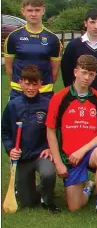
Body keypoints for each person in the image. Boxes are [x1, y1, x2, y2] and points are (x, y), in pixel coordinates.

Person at [45, 55, 97, 221]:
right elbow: (51, 131)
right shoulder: (60, 98)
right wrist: (58, 163)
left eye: (91, 74)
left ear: (95, 76)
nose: (87, 77)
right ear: (75, 72)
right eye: (84, 73)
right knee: (74, 207)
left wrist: (83, 150)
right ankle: (88, 188)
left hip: (90, 152)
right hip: (69, 157)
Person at [1, 65, 58, 212]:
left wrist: (49, 147)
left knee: (48, 173)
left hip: (41, 153)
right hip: (23, 156)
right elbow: (5, 131)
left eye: (35, 84)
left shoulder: (48, 104)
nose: (31, 88)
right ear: (20, 82)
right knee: (27, 203)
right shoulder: (12, 105)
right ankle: (32, 192)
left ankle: (47, 198)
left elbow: (56, 130)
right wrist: (10, 149)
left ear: (41, 84)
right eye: (27, 83)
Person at [4, 0, 61, 100]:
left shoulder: (53, 39)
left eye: (37, 10)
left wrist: (41, 86)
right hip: (19, 92)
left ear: (43, 10)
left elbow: (55, 71)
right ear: (23, 11)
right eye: (30, 10)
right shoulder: (13, 37)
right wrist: (22, 85)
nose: (33, 14)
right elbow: (8, 68)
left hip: (44, 93)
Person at [61, 8, 97, 96]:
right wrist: (72, 93)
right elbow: (66, 72)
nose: (96, 26)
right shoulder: (73, 45)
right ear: (86, 23)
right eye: (92, 22)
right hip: (78, 96)